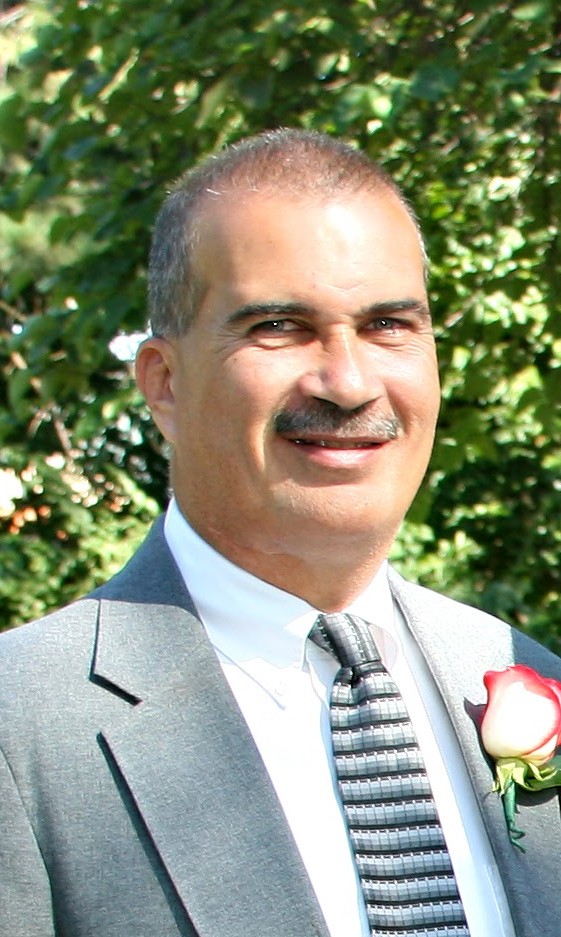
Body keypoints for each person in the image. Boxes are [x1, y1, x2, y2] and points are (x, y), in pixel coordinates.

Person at [0, 129, 560, 937]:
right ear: (164, 383)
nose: (348, 382)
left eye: (387, 324)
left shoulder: (524, 675)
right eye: (279, 326)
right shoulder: (22, 727)